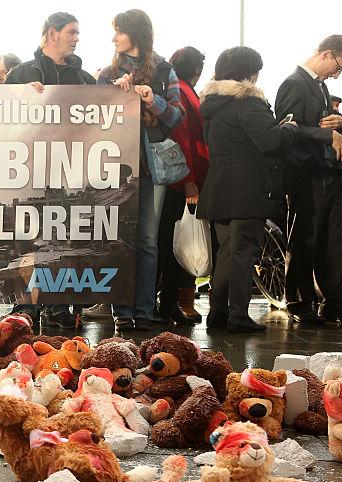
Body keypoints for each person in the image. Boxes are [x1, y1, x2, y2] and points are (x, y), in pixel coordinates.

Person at [198, 47, 302, 333]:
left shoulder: (213, 105)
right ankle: (237, 315)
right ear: (250, 73)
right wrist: (290, 128)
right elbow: (270, 141)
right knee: (243, 253)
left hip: (218, 187)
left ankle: (218, 312)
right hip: (247, 188)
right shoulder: (248, 103)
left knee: (227, 254)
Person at [5, 12, 96, 331]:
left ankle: (58, 305)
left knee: (62, 240)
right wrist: (18, 97)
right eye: (72, 31)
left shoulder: (85, 80)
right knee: (27, 238)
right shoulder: (21, 74)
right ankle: (25, 305)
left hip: (69, 171)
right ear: (51, 34)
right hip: (28, 170)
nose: (76, 37)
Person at [98, 9, 185, 333]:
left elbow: (177, 118)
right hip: (117, 169)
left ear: (134, 33)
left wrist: (152, 99)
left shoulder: (164, 69)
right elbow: (95, 123)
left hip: (151, 169)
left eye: (118, 31)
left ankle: (144, 310)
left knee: (148, 240)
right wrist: (113, 98)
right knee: (121, 240)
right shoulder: (107, 74)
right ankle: (122, 310)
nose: (114, 38)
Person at [275, 35, 342, 325]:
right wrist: (328, 134)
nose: (337, 75)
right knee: (305, 239)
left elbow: (320, 123)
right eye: (338, 67)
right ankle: (300, 302)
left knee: (333, 239)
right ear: (325, 54)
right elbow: (287, 129)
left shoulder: (320, 86)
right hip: (305, 174)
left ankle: (332, 300)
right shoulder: (293, 83)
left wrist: (340, 121)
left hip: (329, 174)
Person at [157, 46, 209, 326]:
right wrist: (189, 179)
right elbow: (183, 137)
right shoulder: (186, 94)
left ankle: (169, 301)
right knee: (170, 243)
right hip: (182, 179)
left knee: (169, 241)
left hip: (181, 177)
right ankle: (168, 302)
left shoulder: (183, 91)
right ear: (197, 70)